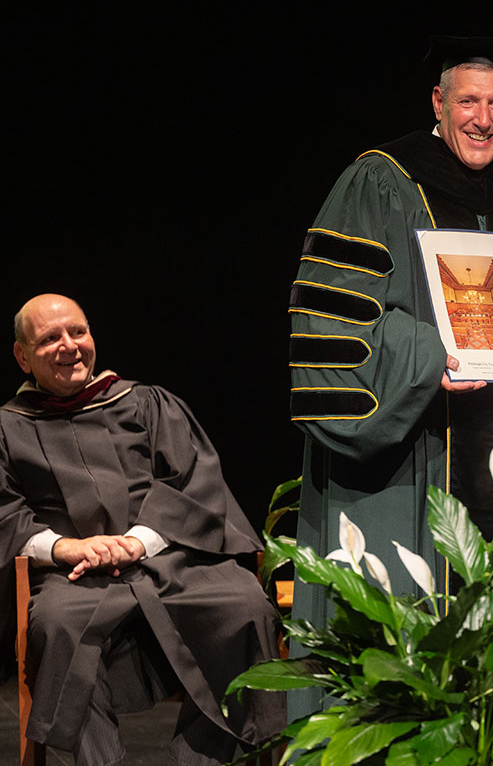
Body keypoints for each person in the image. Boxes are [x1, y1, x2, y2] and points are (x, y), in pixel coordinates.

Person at [288, 36, 493, 616]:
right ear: (437, 102)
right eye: (468, 102)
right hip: (410, 450)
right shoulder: (379, 181)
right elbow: (332, 315)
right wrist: (431, 357)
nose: (483, 120)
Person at [0, 294, 282, 766]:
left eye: (78, 332)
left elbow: (193, 483)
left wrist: (137, 541)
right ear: (22, 355)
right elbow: (5, 510)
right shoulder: (9, 427)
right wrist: (66, 547)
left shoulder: (146, 403)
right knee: (58, 626)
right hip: (74, 575)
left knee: (243, 605)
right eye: (50, 338)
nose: (69, 345)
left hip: (168, 557)